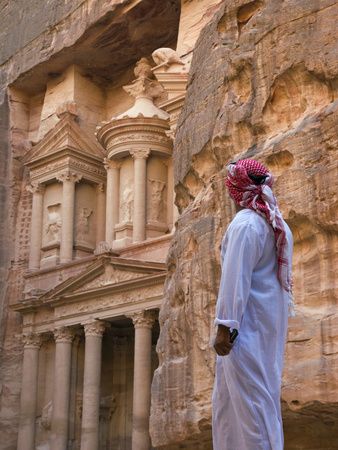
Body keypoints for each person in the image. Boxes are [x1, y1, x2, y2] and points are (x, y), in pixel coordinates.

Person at [212, 159, 294, 450]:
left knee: (250, 409)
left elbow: (235, 279)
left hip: (243, 334)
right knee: (238, 405)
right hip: (264, 330)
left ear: (235, 190)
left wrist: (226, 327)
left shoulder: (246, 225)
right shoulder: (275, 224)